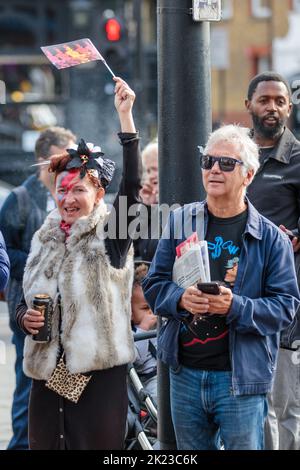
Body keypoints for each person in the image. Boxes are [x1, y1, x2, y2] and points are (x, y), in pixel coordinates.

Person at [143, 124, 300, 450]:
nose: (214, 169)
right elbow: (154, 284)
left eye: (227, 163)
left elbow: (285, 307)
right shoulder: (180, 221)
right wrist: (181, 298)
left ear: (249, 175)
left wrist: (234, 306)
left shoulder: (272, 238)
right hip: (184, 373)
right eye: (209, 161)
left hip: (241, 378)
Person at [15, 77, 142, 450]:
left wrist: (126, 118)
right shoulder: (45, 235)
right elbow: (22, 294)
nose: (68, 198)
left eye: (79, 189)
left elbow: (133, 186)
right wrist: (24, 316)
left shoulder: (111, 234)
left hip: (98, 378)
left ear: (99, 193)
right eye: (62, 190)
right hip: (48, 374)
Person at [0, 126, 76, 450]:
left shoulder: (73, 194)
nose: (75, 162)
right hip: (29, 311)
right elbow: (6, 257)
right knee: (27, 384)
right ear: (47, 160)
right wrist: (44, 256)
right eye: (68, 154)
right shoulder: (19, 199)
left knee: (64, 385)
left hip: (69, 313)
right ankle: (21, 444)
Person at [246, 71, 300, 450]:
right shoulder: (233, 155)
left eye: (279, 101)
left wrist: (294, 238)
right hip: (237, 296)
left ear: (290, 108)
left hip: (284, 301)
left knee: (282, 406)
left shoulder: (297, 159)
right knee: (249, 404)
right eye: (264, 100)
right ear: (249, 104)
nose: (272, 107)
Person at [131, 262, 157, 402]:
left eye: (154, 305)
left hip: (170, 374)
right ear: (129, 312)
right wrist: (143, 328)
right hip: (149, 380)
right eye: (145, 308)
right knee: (160, 398)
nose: (151, 312)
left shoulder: (160, 324)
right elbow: (138, 359)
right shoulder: (131, 333)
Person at [134, 138, 159, 261]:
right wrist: (146, 207)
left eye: (156, 169)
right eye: (148, 170)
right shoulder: (142, 202)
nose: (151, 175)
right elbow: (132, 249)